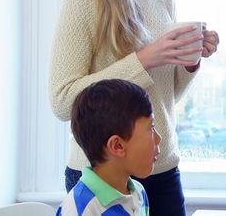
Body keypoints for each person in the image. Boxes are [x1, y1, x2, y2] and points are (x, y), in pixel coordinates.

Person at [49, 0, 219, 216]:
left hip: (162, 168)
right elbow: (61, 101)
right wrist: (144, 60)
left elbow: (163, 100)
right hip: (103, 175)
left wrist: (190, 61)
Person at [57, 79, 160, 216]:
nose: (159, 138)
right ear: (117, 146)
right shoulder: (79, 208)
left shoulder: (139, 192)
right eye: (151, 128)